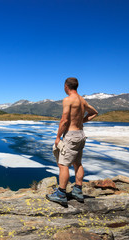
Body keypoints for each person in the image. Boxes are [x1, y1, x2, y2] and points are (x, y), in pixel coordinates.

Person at [46, 77, 98, 206]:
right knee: (77, 163)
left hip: (71, 135)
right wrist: (81, 121)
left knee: (63, 164)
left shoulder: (68, 100)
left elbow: (64, 120)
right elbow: (94, 112)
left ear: (66, 86)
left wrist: (58, 138)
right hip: (81, 134)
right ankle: (77, 190)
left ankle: (61, 193)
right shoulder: (82, 100)